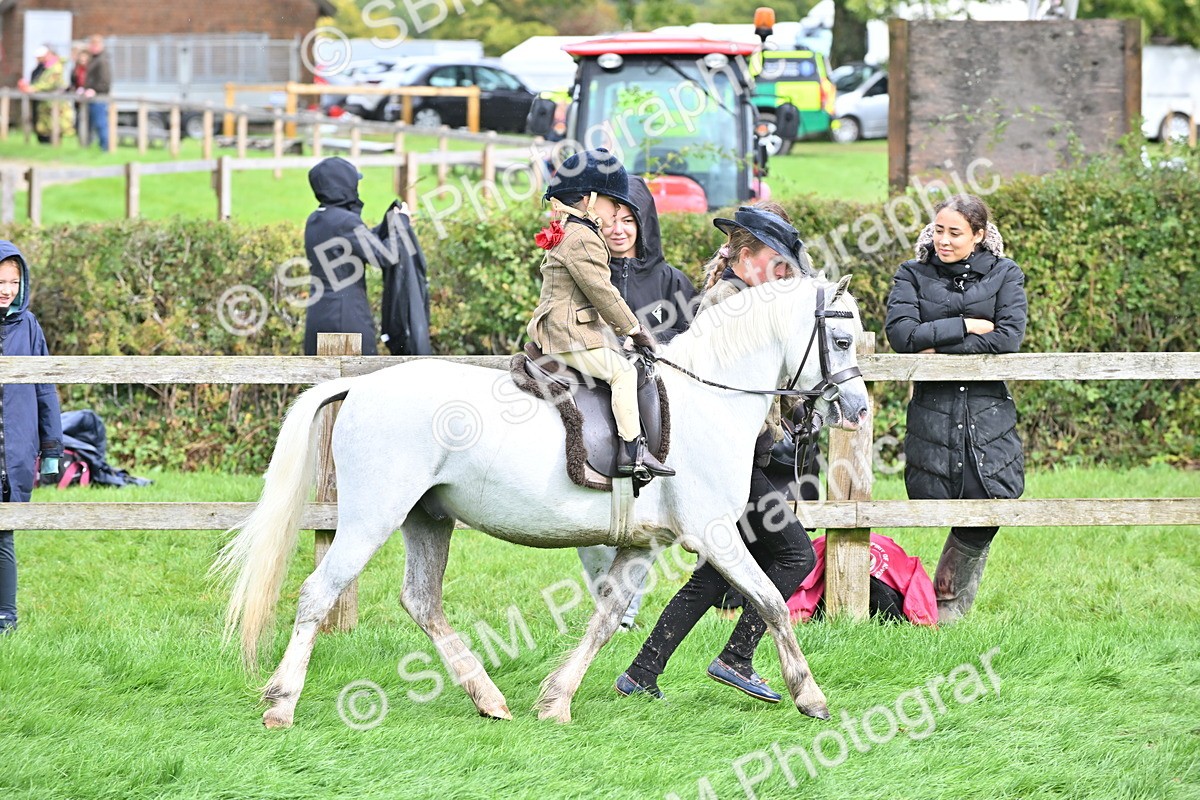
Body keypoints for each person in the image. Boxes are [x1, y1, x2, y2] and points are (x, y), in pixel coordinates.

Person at [615, 205, 818, 703]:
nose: (785, 271)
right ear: (747, 256)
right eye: (778, 261)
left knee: (716, 567)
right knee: (795, 553)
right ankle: (736, 656)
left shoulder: (749, 295)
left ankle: (642, 673)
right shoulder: (729, 299)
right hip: (729, 460)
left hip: (745, 454)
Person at [884, 194, 1027, 625]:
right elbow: (901, 335)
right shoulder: (912, 273)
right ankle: (929, 609)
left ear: (979, 236)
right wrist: (966, 325)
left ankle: (944, 607)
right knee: (938, 500)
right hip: (935, 411)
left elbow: (1007, 339)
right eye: (939, 230)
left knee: (991, 505)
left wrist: (937, 343)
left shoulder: (1006, 274)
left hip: (987, 413)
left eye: (955, 233)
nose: (943, 240)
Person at [575, 177, 697, 629]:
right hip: (592, 406)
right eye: (609, 221)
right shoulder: (584, 270)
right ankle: (608, 600)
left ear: (644, 224)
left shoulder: (672, 282)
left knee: (646, 517)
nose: (620, 230)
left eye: (629, 220)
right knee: (586, 514)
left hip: (655, 416)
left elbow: (693, 351)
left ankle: (623, 613)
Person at [526, 148, 672, 480]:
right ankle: (632, 451)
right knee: (623, 373)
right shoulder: (583, 238)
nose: (616, 211)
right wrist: (636, 330)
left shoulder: (570, 230)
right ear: (588, 199)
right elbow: (604, 295)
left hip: (565, 327)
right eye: (613, 203)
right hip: (567, 334)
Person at [0, 241, 64, 633]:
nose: (5, 288)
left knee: (2, 537)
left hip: (12, 457)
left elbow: (44, 388)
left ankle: (6, 617)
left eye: (12, 281)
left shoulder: (28, 326)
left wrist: (52, 447)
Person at [304, 156, 413, 356]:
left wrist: (389, 223)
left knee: (326, 384)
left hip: (319, 315)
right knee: (353, 384)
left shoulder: (316, 219)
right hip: (344, 318)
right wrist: (402, 223)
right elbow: (385, 256)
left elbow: (361, 241)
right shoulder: (346, 221)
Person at [17, 46, 73, 144]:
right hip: (45, 102)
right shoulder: (45, 66)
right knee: (44, 126)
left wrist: (34, 88)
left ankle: (54, 145)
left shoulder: (56, 67)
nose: (38, 60)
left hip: (54, 102)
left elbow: (49, 83)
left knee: (55, 125)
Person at [83, 35, 112, 151]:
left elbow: (105, 82)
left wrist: (94, 90)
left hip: (99, 98)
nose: (92, 47)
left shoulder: (102, 60)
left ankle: (105, 148)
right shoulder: (94, 59)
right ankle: (91, 147)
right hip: (93, 97)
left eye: (94, 45)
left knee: (101, 124)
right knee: (91, 124)